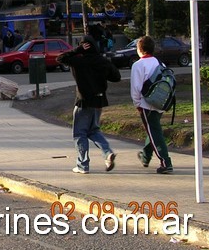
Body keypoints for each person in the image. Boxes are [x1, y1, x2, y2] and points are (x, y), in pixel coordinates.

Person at [57, 36, 121, 174]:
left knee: (79, 133)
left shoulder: (78, 61)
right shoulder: (102, 61)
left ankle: (82, 165)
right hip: (99, 101)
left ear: (83, 47)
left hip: (84, 101)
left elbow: (60, 58)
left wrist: (77, 50)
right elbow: (116, 77)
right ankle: (107, 152)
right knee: (93, 130)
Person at [131, 36, 174, 174]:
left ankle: (165, 162)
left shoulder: (138, 65)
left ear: (139, 49)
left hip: (146, 104)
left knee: (154, 132)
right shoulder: (159, 63)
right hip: (160, 102)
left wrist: (137, 103)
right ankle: (145, 156)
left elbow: (136, 88)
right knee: (153, 129)